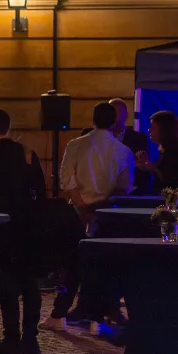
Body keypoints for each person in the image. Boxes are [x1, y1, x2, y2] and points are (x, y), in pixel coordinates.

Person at [0, 108, 46, 354]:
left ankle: (12, 337)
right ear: (9, 126)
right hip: (27, 227)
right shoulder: (25, 153)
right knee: (30, 284)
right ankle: (31, 339)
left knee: (6, 284)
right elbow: (40, 191)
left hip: (1, 228)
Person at [58, 101, 136, 325]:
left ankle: (66, 310)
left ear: (93, 119)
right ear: (114, 122)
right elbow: (123, 188)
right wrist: (99, 208)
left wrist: (82, 207)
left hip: (77, 212)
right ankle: (103, 311)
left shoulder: (75, 144)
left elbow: (66, 181)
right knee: (105, 265)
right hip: (108, 214)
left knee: (74, 264)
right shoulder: (123, 151)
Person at [108, 99, 154, 195]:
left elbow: (144, 170)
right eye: (111, 113)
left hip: (131, 193)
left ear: (126, 115)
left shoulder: (139, 138)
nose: (114, 117)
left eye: (118, 113)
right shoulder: (99, 138)